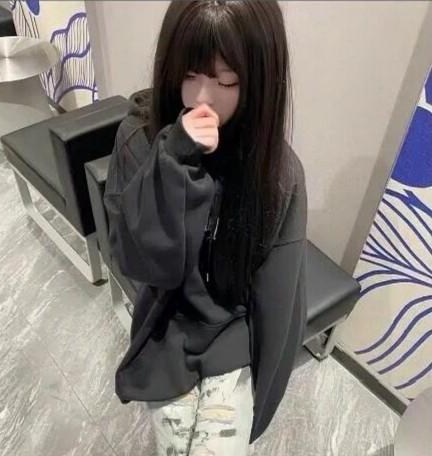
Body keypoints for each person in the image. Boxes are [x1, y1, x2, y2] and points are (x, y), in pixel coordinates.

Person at [103, 1, 308, 455]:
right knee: (173, 442)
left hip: (233, 328)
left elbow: (278, 298)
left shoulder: (276, 174)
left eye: (226, 81)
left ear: (259, 82)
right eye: (188, 74)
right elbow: (139, 261)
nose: (201, 98)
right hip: (167, 318)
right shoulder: (140, 140)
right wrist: (174, 160)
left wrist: (263, 395)